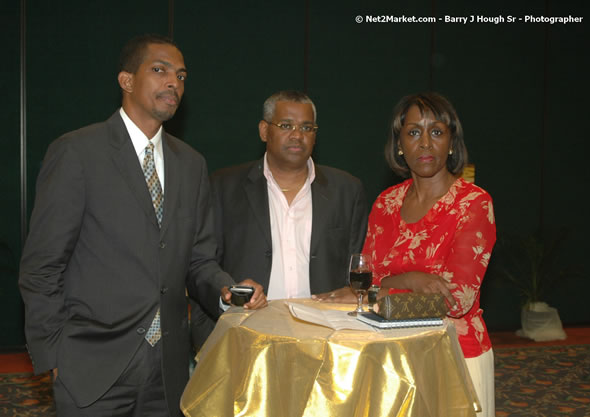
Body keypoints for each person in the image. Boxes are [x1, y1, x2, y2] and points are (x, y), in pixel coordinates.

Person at [18, 34, 267, 417]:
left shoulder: (191, 164)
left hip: (167, 371)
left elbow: (198, 259)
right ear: (126, 80)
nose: (174, 83)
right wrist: (54, 356)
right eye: (159, 70)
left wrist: (227, 290)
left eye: (181, 76)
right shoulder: (78, 152)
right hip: (91, 366)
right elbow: (41, 265)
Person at [317, 92, 497, 416]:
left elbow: (454, 300)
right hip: (387, 356)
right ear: (399, 145)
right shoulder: (385, 203)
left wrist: (380, 290)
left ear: (452, 142)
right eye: (414, 132)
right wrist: (411, 280)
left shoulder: (474, 204)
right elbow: (367, 280)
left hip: (453, 355)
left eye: (437, 132)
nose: (425, 143)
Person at [189, 90, 369, 350]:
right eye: (286, 125)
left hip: (327, 343)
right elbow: (200, 262)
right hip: (245, 340)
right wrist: (229, 290)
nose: (297, 135)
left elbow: (360, 264)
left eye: (307, 127)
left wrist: (354, 292)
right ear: (264, 131)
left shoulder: (347, 191)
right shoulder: (223, 187)